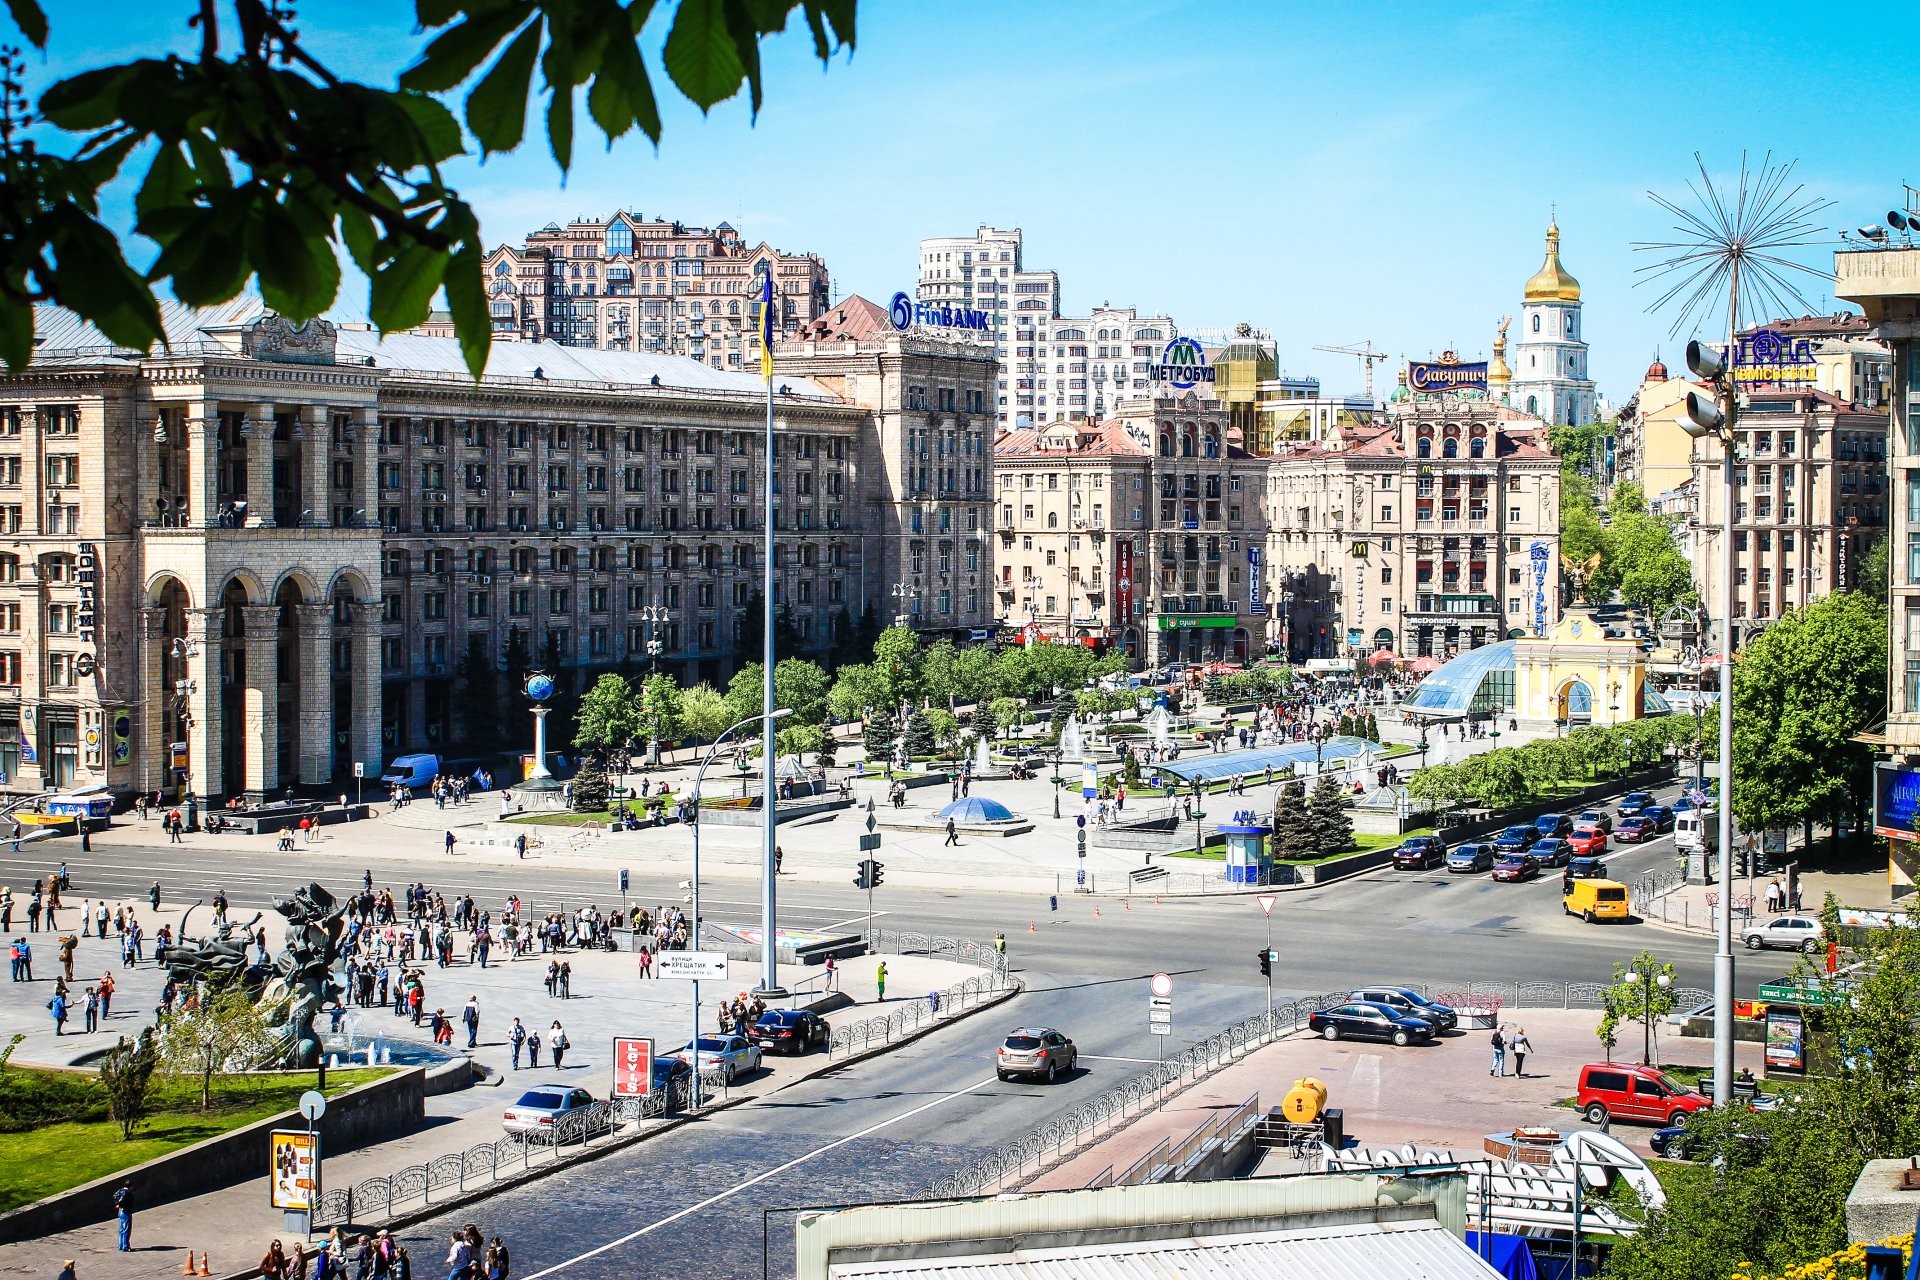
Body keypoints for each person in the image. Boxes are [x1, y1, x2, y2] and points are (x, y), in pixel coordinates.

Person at [113, 1180, 133, 1251]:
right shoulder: (127, 1193)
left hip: (120, 1211)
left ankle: (120, 1245)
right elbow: (122, 1200)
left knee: (121, 1229)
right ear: (130, 1186)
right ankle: (125, 1246)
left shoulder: (120, 1190)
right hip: (125, 1211)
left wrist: (117, 1204)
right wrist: (120, 1204)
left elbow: (115, 1196)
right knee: (126, 1230)